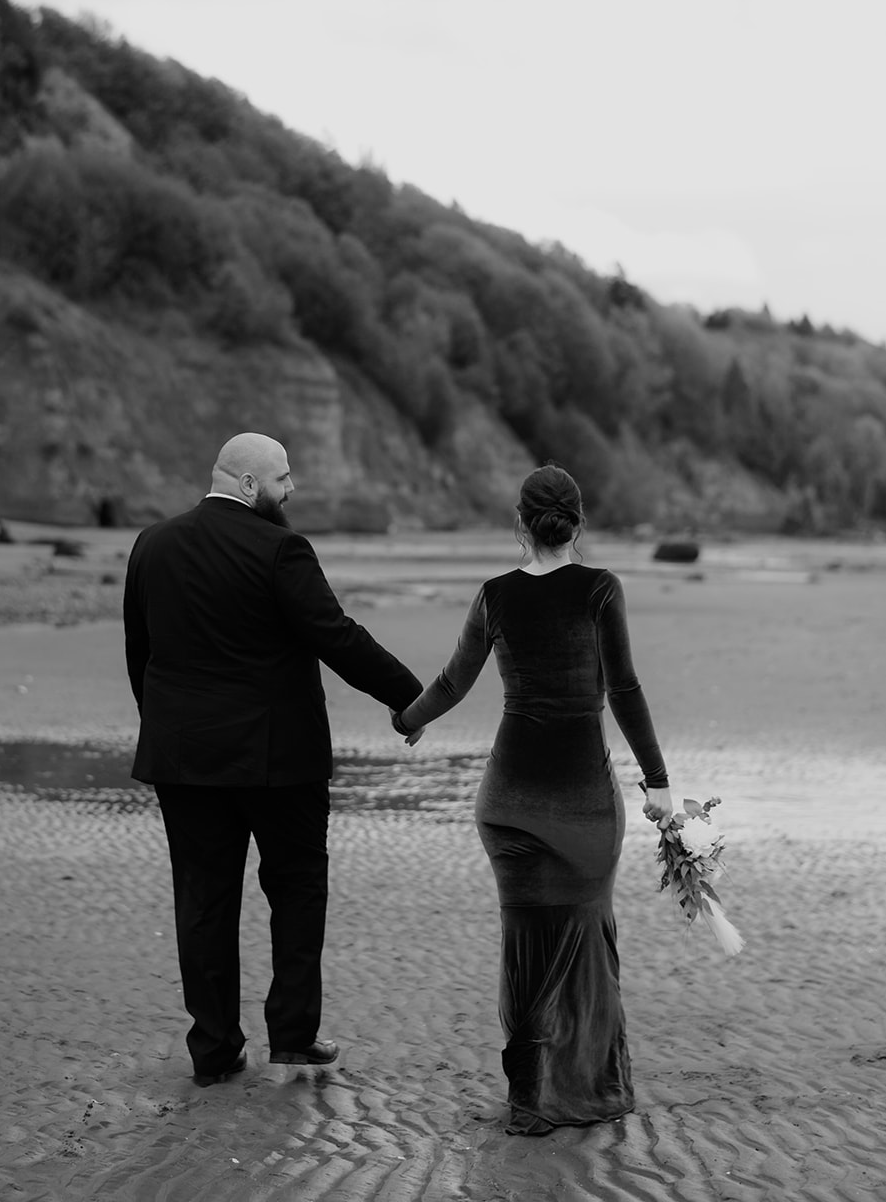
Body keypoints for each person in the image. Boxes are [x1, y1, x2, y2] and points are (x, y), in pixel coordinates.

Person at [124, 432, 423, 1087]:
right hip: (278, 761)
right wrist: (408, 698)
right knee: (295, 889)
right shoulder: (280, 547)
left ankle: (212, 1049)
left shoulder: (153, 544)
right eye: (284, 479)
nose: (293, 491)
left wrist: (168, 731)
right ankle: (290, 1034)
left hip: (184, 761)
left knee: (202, 901)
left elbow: (139, 654)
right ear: (251, 486)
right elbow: (334, 635)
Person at [392, 463, 673, 1137]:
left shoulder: (494, 595)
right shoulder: (599, 589)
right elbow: (625, 689)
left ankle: (528, 1099)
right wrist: (658, 781)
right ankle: (584, 1090)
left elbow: (452, 682)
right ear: (578, 523)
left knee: (525, 946)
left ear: (519, 523)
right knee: (583, 939)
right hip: (581, 800)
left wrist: (408, 719)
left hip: (509, 800)